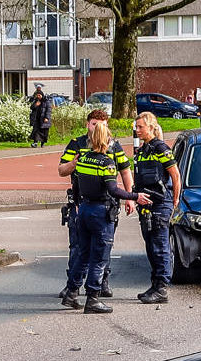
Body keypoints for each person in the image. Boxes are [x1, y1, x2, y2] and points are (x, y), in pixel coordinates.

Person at [59, 111, 149, 312]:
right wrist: (134, 197)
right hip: (101, 211)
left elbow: (77, 187)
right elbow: (112, 189)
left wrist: (78, 202)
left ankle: (71, 293)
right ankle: (92, 298)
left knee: (82, 253)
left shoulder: (83, 159)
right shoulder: (106, 163)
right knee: (99, 256)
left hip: (83, 209)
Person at [130, 112, 181, 304]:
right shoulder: (143, 150)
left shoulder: (160, 148)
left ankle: (161, 289)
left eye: (140, 126)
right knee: (151, 246)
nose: (137, 129)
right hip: (147, 205)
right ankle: (154, 284)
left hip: (160, 203)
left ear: (151, 127)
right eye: (137, 126)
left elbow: (175, 175)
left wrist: (175, 200)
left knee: (160, 246)